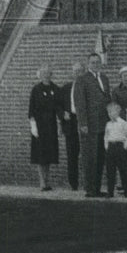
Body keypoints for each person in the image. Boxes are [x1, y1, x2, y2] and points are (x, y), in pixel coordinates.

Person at [74, 51, 111, 197]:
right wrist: (83, 123)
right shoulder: (82, 80)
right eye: (93, 62)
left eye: (97, 62)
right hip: (89, 126)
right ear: (88, 64)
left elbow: (107, 99)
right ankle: (90, 189)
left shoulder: (104, 78)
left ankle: (97, 188)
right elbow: (80, 103)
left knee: (100, 157)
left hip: (103, 124)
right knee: (90, 157)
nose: (95, 65)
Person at [28, 64, 61, 191]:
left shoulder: (55, 89)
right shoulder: (36, 89)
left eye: (48, 73)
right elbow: (31, 109)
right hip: (40, 126)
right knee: (40, 155)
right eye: (43, 73)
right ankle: (42, 182)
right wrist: (33, 125)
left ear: (50, 75)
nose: (46, 75)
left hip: (51, 126)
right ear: (40, 75)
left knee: (49, 155)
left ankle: (47, 181)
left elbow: (58, 107)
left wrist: (59, 123)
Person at [56, 61, 85, 191]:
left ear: (83, 72)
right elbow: (57, 105)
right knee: (72, 155)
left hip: (84, 122)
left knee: (87, 154)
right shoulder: (66, 88)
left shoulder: (88, 87)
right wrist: (63, 114)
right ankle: (73, 184)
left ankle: (88, 183)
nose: (77, 74)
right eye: (75, 71)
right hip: (71, 123)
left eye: (79, 71)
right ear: (72, 73)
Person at [103, 101, 127, 198]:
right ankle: (110, 191)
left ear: (118, 112)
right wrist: (107, 147)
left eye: (112, 112)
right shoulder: (108, 124)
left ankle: (125, 190)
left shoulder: (123, 123)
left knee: (123, 170)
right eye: (109, 112)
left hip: (120, 147)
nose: (110, 114)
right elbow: (106, 136)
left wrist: (124, 147)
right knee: (110, 171)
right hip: (111, 148)